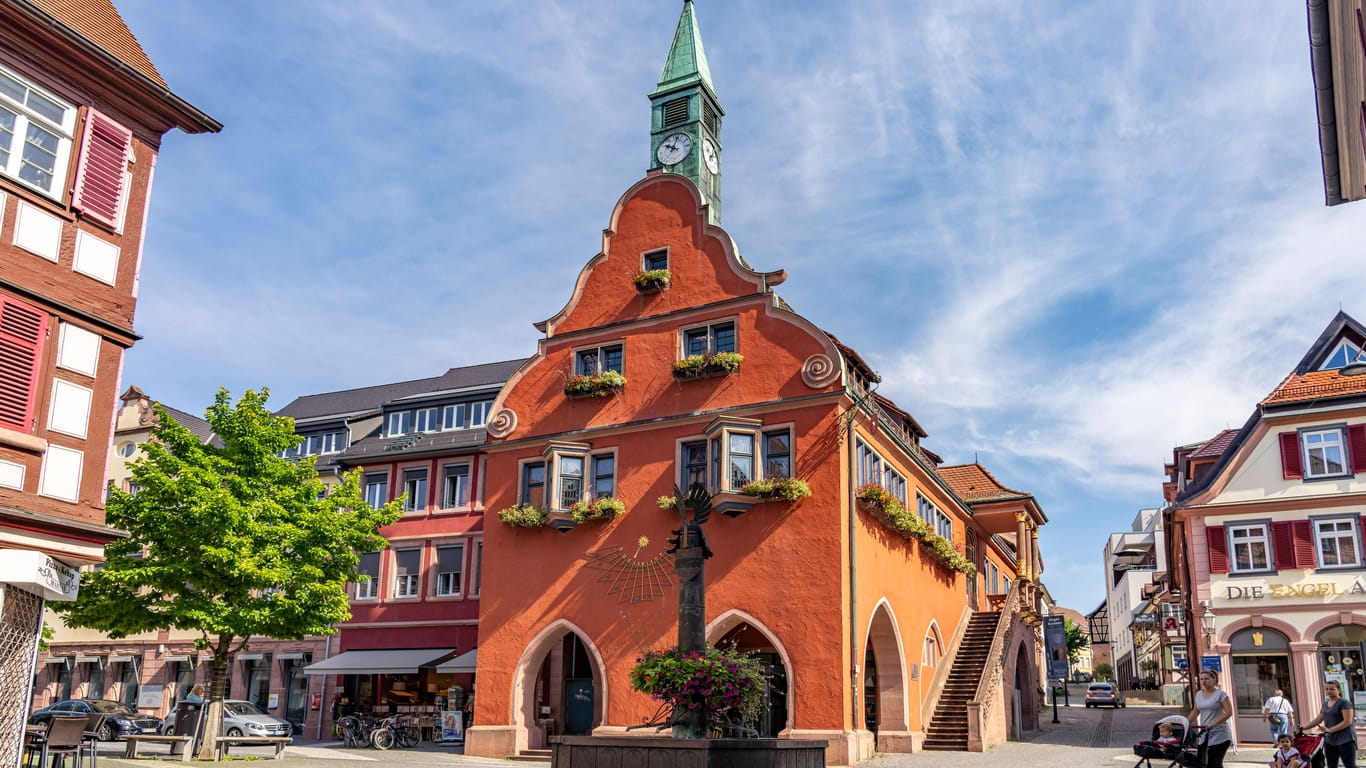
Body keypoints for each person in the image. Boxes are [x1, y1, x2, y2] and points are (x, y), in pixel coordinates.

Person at [1300, 680, 1358, 768]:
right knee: (1331, 765)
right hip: (1330, 741)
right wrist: (1304, 727)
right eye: (1327, 689)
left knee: (1350, 765)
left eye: (1332, 689)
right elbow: (1318, 719)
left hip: (1346, 740)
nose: (1329, 691)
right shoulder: (1325, 704)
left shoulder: (1344, 703)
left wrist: (1330, 730)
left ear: (1338, 690)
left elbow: (1347, 721)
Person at [1188, 670, 1235, 768]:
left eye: (1206, 679)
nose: (1204, 681)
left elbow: (1229, 713)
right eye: (1201, 679)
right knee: (1202, 763)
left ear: (1214, 680)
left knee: (1214, 763)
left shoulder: (1221, 694)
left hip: (1219, 733)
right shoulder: (1199, 694)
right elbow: (1195, 711)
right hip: (1205, 733)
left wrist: (1214, 723)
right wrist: (1185, 722)